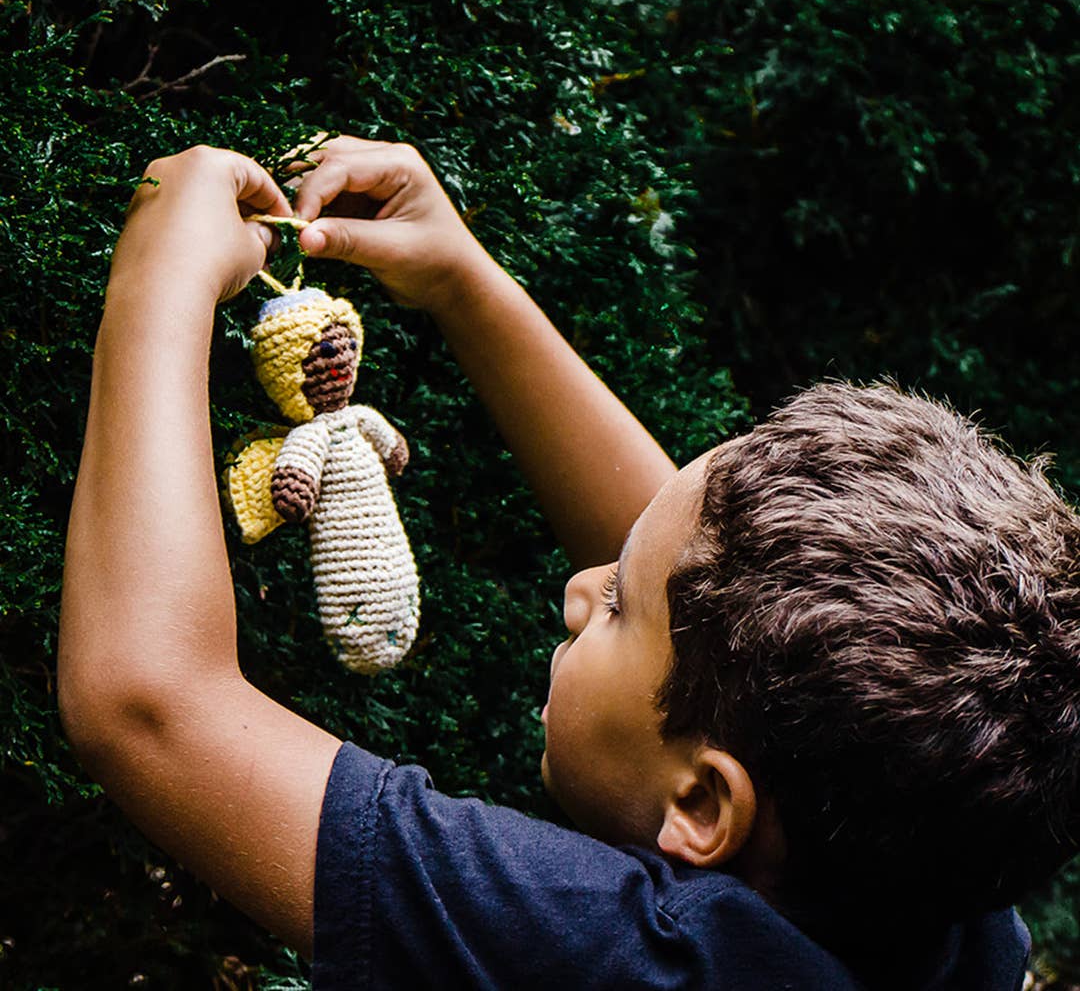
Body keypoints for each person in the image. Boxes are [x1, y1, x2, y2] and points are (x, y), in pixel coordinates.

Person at [58, 137, 1080, 989]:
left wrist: (162, 279)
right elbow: (708, 594)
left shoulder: (616, 958)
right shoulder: (955, 920)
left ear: (705, 807)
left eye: (616, 611)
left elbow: (149, 702)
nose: (579, 588)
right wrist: (463, 282)